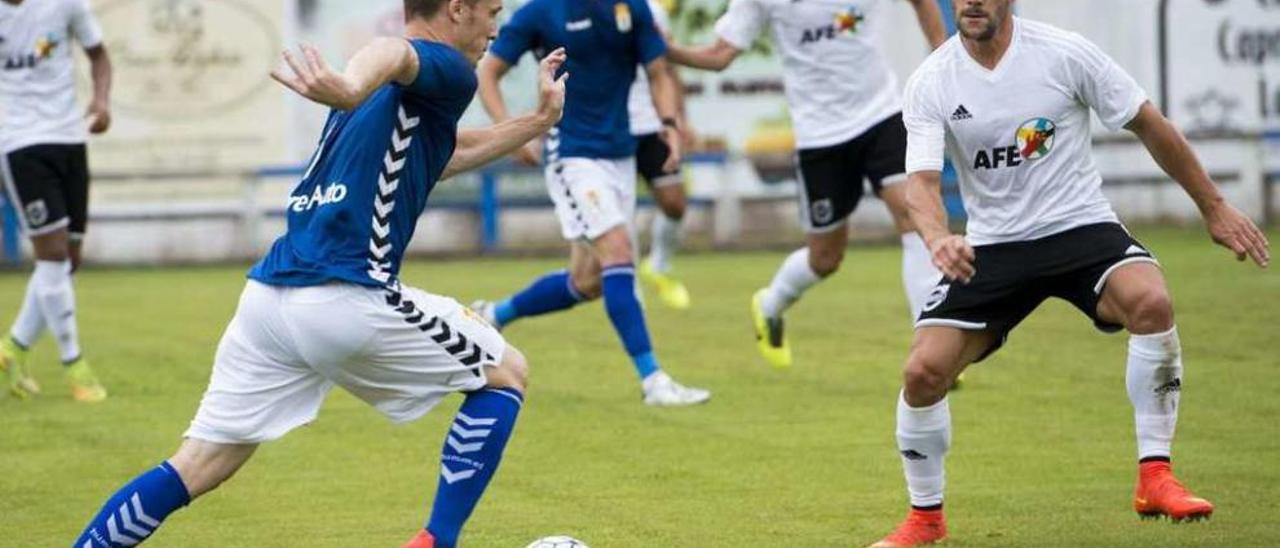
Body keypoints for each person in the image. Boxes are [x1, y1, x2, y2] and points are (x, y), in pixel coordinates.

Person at [72, 1, 567, 546]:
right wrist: (352, 82)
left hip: (268, 300)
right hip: (346, 293)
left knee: (197, 464)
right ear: (456, 9)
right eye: (491, 11)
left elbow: (442, 154)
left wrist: (538, 122)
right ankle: (437, 541)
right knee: (507, 371)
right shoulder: (444, 67)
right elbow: (392, 53)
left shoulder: (392, 99)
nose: (496, 28)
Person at [871, 1, 1271, 546]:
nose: (971, 2)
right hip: (994, 246)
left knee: (1151, 302)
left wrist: (1214, 207)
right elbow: (919, 184)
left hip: (1079, 228)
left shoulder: (1064, 53)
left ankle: (1155, 477)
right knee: (922, 372)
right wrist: (939, 238)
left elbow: (1150, 124)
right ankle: (925, 519)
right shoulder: (932, 80)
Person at [666, 0, 947, 368]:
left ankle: (930, 349)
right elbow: (720, 54)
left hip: (883, 114)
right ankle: (770, 304)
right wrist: (660, 48)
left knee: (914, 219)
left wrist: (943, 61)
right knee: (825, 258)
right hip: (820, 137)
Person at [471, 0, 711, 406]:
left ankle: (494, 314)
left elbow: (658, 72)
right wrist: (510, 131)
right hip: (573, 156)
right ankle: (653, 381)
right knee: (618, 253)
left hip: (620, 155)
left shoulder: (632, 8)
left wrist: (670, 123)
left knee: (589, 281)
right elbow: (489, 71)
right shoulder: (539, 13)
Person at [0, 0, 113, 402]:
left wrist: (101, 102)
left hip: (70, 138)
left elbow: (99, 55)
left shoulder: (65, 4)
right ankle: (74, 365)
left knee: (70, 257)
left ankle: (12, 349)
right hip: (19, 143)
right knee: (51, 255)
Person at [630, 0, 693, 310]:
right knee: (618, 218)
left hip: (651, 122)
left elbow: (666, 67)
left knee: (675, 203)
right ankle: (627, 288)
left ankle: (658, 265)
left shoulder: (651, 11)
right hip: (609, 126)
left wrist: (680, 118)